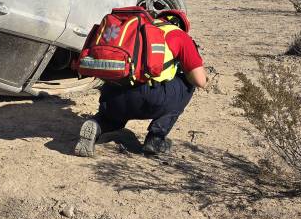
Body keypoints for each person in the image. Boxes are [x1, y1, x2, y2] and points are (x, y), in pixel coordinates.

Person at [74, 10, 206, 157]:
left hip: (112, 95)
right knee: (188, 85)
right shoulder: (179, 35)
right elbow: (200, 81)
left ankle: (97, 124)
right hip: (148, 99)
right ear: (181, 25)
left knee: (113, 118)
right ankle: (156, 138)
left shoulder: (138, 29)